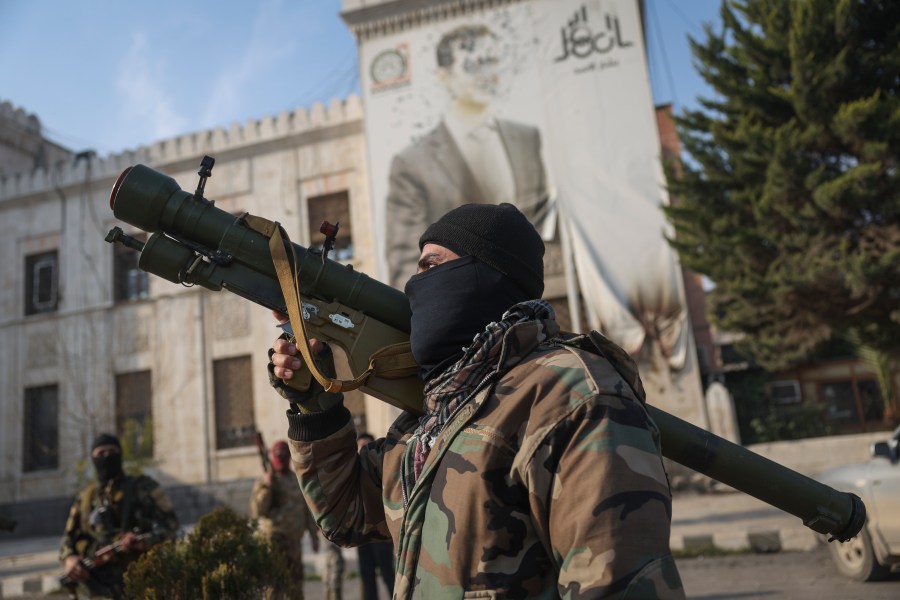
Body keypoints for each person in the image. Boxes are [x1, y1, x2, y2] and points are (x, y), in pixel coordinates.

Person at [269, 203, 685, 598]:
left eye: (431, 266)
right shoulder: (436, 414)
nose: (415, 286)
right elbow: (347, 514)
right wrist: (312, 401)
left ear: (486, 276)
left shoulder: (572, 397)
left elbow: (618, 584)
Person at [384, 24, 555, 289]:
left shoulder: (526, 139)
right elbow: (406, 271)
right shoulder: (413, 163)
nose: (485, 75)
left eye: (490, 62)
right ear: (444, 76)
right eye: (472, 65)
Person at [59, 433, 179, 600]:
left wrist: (145, 540)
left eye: (112, 451)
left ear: (120, 454)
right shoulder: (85, 498)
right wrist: (69, 559)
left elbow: (171, 524)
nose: (107, 456)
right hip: (97, 587)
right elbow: (68, 538)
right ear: (92, 458)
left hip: (141, 581)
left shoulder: (143, 488)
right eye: (101, 453)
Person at [250, 439, 320, 600]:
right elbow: (257, 511)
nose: (281, 458)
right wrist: (267, 486)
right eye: (278, 455)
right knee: (273, 586)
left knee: (295, 585)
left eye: (284, 455)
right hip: (273, 541)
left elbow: (307, 509)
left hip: (294, 542)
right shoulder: (265, 481)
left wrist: (314, 536)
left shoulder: (296, 480)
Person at [354, 433, 395, 600]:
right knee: (367, 577)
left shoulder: (382, 472)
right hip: (362, 537)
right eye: (361, 446)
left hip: (382, 536)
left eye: (367, 445)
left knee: (389, 576)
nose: (364, 449)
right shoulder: (353, 474)